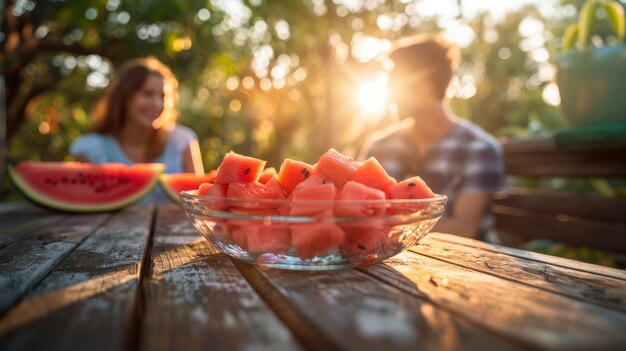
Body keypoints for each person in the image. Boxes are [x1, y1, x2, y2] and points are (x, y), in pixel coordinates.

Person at [359, 35, 505, 240]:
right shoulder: (379, 146)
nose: (389, 93)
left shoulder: (479, 149)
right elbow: (357, 212)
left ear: (424, 83)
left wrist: (387, 229)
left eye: (396, 82)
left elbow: (464, 228)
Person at [70, 57, 203, 203]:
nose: (157, 104)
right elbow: (84, 203)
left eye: (163, 96)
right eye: (147, 94)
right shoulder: (90, 149)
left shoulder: (182, 141)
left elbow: (197, 200)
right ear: (124, 97)